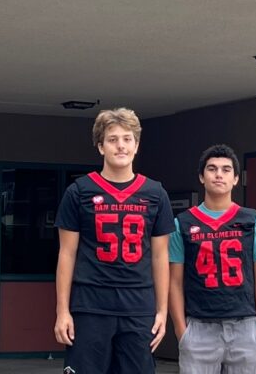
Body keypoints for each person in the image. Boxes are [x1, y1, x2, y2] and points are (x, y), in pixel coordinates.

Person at [54, 107, 175, 374]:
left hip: (138, 305)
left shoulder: (155, 193)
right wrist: (62, 311)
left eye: (127, 139)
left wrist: (162, 310)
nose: (121, 145)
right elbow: (67, 253)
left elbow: (160, 255)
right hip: (90, 305)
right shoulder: (79, 191)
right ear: (101, 147)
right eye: (112, 139)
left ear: (136, 145)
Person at [169, 144, 256, 374]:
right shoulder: (183, 223)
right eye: (212, 169)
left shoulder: (254, 222)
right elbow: (174, 282)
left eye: (226, 170)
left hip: (245, 325)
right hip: (199, 326)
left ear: (236, 178)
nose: (219, 174)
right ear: (201, 177)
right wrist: (181, 330)